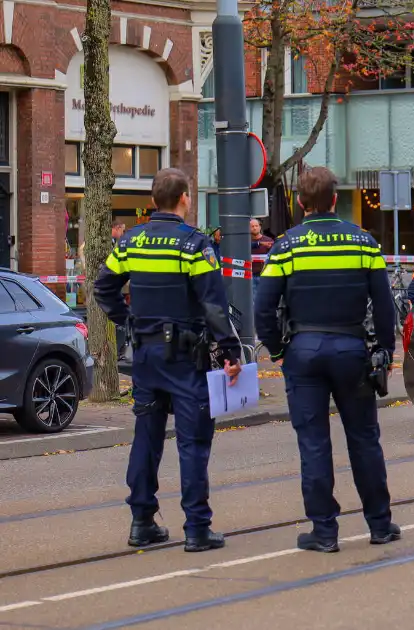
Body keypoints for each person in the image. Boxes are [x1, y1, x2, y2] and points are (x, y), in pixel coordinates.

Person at [93, 168, 243, 553]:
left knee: (146, 437)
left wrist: (125, 321)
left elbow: (103, 285)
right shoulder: (194, 245)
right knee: (193, 442)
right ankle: (196, 529)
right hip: (186, 358)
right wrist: (230, 351)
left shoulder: (131, 242)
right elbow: (213, 304)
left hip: (145, 357)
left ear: (153, 201)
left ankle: (142, 521)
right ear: (184, 199)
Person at [254, 166, 400, 553]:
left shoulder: (286, 246)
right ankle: (380, 525)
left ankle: (324, 532)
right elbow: (384, 306)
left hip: (304, 351)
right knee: (365, 439)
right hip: (352, 349)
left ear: (300, 203)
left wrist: (279, 351)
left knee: (314, 443)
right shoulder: (363, 242)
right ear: (335, 200)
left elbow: (262, 307)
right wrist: (385, 349)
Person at [250, 218, 274, 295]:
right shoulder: (246, 242)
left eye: (256, 226)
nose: (254, 228)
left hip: (265, 275)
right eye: (252, 226)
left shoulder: (268, 240)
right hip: (250, 276)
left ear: (260, 227)